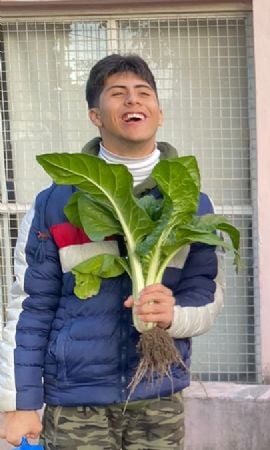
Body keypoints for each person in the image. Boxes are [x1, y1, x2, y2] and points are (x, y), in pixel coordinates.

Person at [0, 54, 224, 449]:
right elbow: (30, 306)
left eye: (143, 93)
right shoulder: (55, 202)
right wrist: (20, 403)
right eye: (118, 94)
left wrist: (174, 315)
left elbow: (206, 294)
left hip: (158, 393)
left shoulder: (191, 203)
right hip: (75, 401)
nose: (133, 101)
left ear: (160, 112)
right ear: (95, 116)